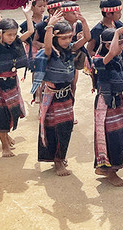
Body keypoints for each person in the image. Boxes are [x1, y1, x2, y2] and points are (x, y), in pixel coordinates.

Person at [36, 10, 90, 176]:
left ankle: (60, 157)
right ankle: (57, 161)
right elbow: (46, 46)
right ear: (55, 38)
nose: (67, 41)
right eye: (63, 38)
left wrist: (83, 20)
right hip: (52, 96)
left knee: (66, 128)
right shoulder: (51, 52)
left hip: (66, 96)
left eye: (69, 37)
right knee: (53, 128)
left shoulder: (71, 50)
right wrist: (50, 26)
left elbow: (86, 38)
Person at [0, 11, 32, 157]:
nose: (12, 37)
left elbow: (30, 31)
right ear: (0, 33)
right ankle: (4, 147)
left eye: (14, 34)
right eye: (9, 34)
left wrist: (27, 15)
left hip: (12, 83)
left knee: (12, 112)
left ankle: (6, 136)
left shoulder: (15, 43)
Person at [92, 24, 123, 186]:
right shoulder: (98, 60)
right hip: (105, 103)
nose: (122, 45)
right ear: (107, 44)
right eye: (119, 42)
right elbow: (111, 52)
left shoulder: (121, 55)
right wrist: (117, 32)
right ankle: (111, 172)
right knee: (110, 137)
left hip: (117, 101)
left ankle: (105, 168)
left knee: (119, 135)